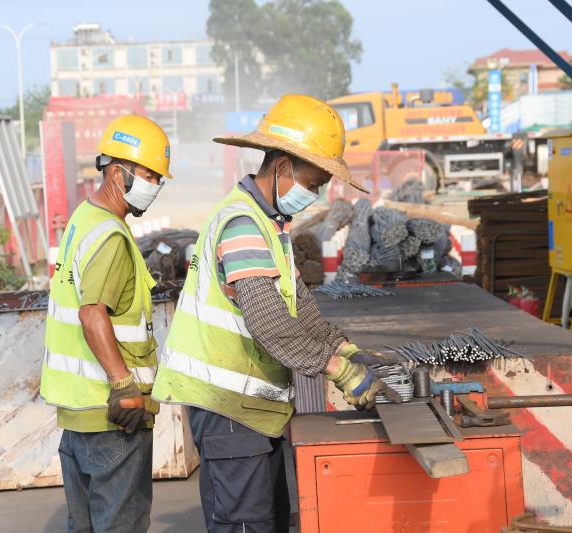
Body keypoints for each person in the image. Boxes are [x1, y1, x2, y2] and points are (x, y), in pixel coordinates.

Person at [152, 94, 402, 532]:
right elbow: (270, 323)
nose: (316, 193)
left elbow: (299, 308)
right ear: (283, 167)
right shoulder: (244, 224)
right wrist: (337, 369)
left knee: (268, 522)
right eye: (313, 181)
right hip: (229, 410)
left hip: (250, 412)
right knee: (247, 526)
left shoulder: (269, 224)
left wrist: (345, 347)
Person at [40, 115, 172, 532]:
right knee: (120, 524)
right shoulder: (111, 236)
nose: (155, 186)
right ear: (117, 173)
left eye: (159, 178)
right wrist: (123, 384)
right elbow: (92, 311)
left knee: (86, 526)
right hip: (113, 414)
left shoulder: (83, 219)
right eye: (149, 175)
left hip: (79, 413)